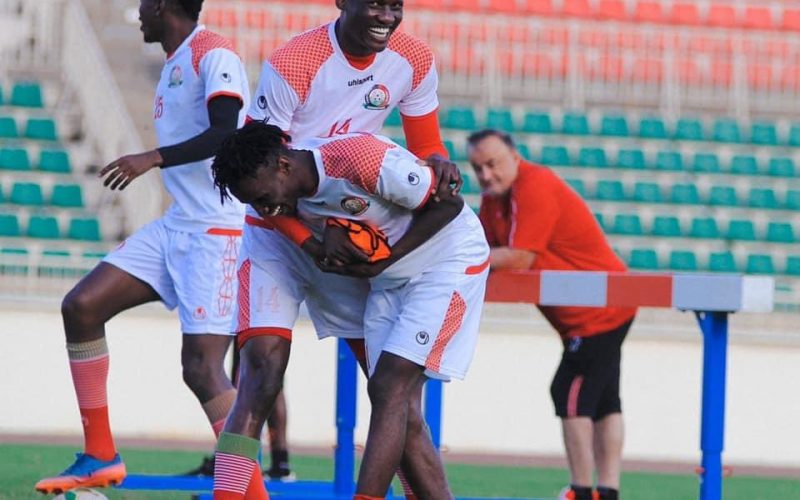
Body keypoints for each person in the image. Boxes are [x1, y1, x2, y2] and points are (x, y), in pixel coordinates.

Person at [33, 0, 265, 496]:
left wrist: (152, 157)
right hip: (176, 225)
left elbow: (228, 132)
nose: (138, 12)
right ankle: (99, 455)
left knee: (202, 370)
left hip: (216, 234)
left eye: (143, 3)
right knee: (82, 306)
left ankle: (254, 493)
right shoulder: (175, 61)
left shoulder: (212, 52)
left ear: (162, 5)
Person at [226, 0, 460, 487]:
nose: (386, 16)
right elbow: (258, 180)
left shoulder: (413, 58)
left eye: (394, 6)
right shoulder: (295, 63)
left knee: (395, 398)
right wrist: (309, 245)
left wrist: (439, 162)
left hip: (344, 232)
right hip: (278, 235)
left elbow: (427, 146)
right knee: (261, 373)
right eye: (374, 4)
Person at [209, 122, 489, 500]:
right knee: (399, 406)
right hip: (388, 282)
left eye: (263, 197)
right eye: (255, 204)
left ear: (284, 166)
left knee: (388, 385)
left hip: (447, 263)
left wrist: (387, 259)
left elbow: (450, 205)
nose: (265, 210)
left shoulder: (363, 160)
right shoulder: (284, 194)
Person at [467, 129, 636, 500]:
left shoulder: (535, 184)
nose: (485, 175)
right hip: (590, 312)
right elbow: (481, 243)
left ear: (514, 156)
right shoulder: (494, 199)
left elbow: (518, 257)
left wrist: (455, 260)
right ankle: (606, 492)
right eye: (477, 168)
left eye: (492, 164)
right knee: (605, 399)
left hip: (600, 310)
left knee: (570, 392)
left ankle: (581, 489)